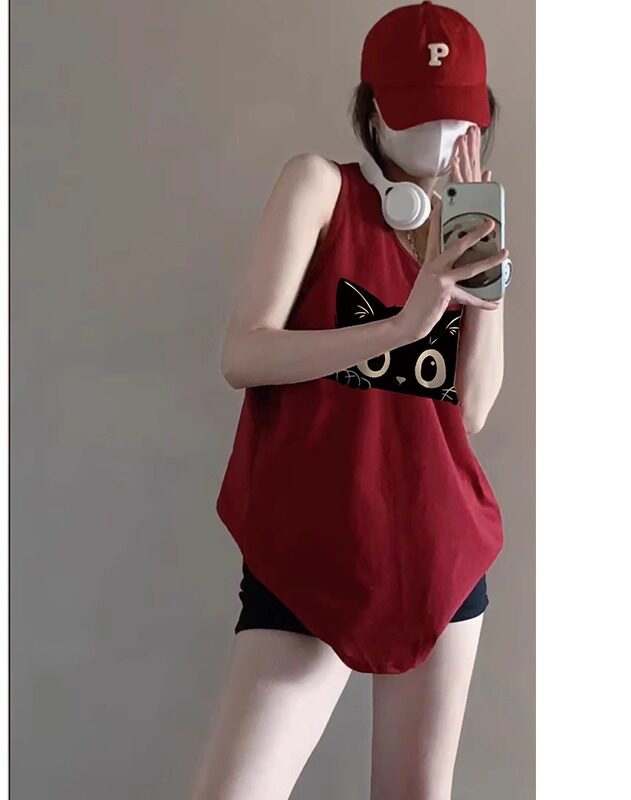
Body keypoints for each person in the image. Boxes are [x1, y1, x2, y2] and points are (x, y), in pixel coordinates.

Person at [191, 3, 510, 799]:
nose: (440, 135)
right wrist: (404, 323)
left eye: (457, 115)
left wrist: (485, 287)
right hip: (315, 546)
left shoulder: (463, 227)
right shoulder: (320, 186)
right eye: (418, 112)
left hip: (438, 548)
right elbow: (244, 355)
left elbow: (469, 413)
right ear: (373, 108)